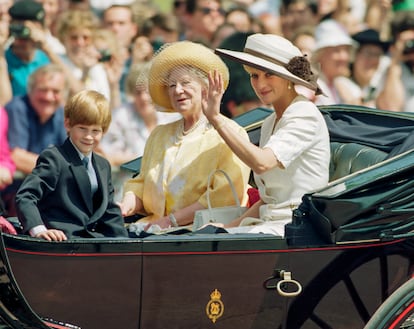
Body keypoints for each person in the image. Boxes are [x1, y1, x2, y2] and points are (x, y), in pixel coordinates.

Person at [203, 33, 330, 236]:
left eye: (268, 74)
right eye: (254, 75)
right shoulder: (270, 121)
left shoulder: (304, 114)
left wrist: (217, 120)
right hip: (267, 225)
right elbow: (268, 200)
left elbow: (262, 163)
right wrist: (228, 228)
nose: (260, 84)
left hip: (297, 228)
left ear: (288, 79)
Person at [118, 41, 251, 231]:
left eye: (185, 83)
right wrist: (126, 204)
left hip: (200, 234)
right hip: (151, 230)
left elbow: (224, 196)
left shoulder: (228, 133)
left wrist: (170, 221)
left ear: (206, 87)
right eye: (172, 85)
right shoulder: (160, 134)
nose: (177, 90)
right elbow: (141, 183)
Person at [15, 89, 128, 241]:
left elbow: (108, 210)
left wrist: (126, 244)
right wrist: (39, 229)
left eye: (95, 130)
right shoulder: (55, 157)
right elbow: (26, 196)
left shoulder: (103, 165)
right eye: (82, 128)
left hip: (93, 241)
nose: (88, 136)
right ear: (68, 124)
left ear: (104, 131)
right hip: (61, 241)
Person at [2, 64, 67, 216]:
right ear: (30, 90)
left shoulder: (61, 113)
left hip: (49, 192)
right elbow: (16, 157)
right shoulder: (17, 108)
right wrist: (62, 170)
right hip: (15, 194)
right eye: (43, 90)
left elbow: (72, 155)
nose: (49, 97)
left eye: (56, 91)